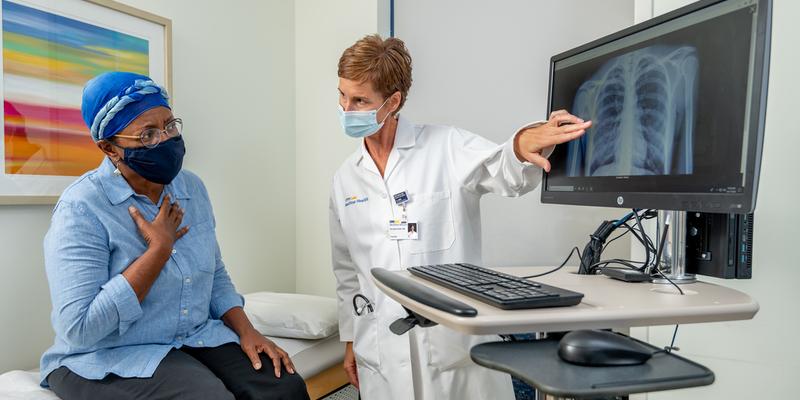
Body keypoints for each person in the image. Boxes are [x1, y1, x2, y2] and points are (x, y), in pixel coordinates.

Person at [329, 35, 592, 399]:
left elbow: (501, 168)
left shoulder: (446, 147)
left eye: (360, 100)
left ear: (393, 102)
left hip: (450, 354)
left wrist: (520, 145)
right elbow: (346, 271)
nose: (346, 109)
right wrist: (349, 339)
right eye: (343, 95)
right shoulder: (347, 177)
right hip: (380, 352)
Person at [40, 72, 309, 400]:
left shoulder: (190, 188)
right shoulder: (82, 207)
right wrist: (158, 251)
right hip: (106, 355)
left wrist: (248, 332)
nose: (165, 140)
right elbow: (80, 329)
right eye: (148, 135)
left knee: (284, 387)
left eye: (170, 125)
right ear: (110, 148)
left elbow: (215, 275)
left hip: (191, 337)